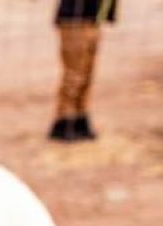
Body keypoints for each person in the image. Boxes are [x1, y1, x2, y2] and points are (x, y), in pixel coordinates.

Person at [49, 0, 117, 142]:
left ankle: (80, 116)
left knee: (87, 73)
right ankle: (63, 120)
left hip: (93, 20)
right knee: (74, 74)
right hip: (74, 20)